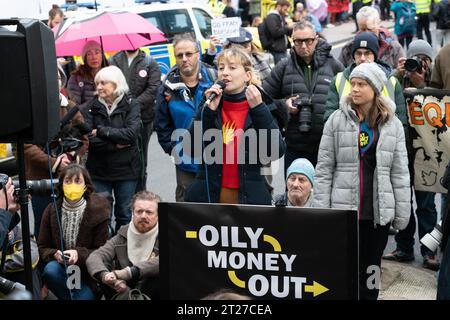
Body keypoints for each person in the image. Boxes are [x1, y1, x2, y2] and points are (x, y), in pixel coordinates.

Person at [312, 63, 411, 300]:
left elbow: (399, 172)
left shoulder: (392, 124)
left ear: (375, 89)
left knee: (372, 267)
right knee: (345, 269)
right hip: (344, 211)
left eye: (361, 84)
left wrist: (402, 211)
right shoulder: (336, 120)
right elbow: (324, 169)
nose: (353, 89)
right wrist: (321, 210)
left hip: (376, 214)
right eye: (352, 84)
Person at [184, 47, 286, 205]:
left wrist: (259, 109)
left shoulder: (260, 104)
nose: (225, 72)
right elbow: (190, 149)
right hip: (213, 195)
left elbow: (275, 151)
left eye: (232, 67)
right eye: (221, 67)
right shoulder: (211, 104)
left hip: (248, 197)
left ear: (247, 75)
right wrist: (207, 111)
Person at [383, 40, 439, 270]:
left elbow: (440, 110)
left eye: (424, 60)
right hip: (403, 151)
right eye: (415, 59)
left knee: (426, 206)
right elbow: (383, 95)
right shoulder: (398, 78)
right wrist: (398, 72)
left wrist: (422, 84)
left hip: (427, 152)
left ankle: (429, 251)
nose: (419, 64)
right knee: (402, 202)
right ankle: (404, 247)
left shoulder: (436, 78)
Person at [263, 20, 343, 170]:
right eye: (298, 42)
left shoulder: (333, 65)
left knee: (324, 193)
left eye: (308, 41)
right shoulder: (283, 66)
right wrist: (283, 105)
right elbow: (263, 99)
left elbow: (348, 99)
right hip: (295, 147)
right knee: (294, 191)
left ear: (316, 39)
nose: (304, 46)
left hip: (327, 146)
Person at [24, 62, 86, 237]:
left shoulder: (70, 107)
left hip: (69, 177)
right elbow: (26, 146)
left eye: (57, 77)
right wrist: (54, 162)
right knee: (43, 225)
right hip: (39, 179)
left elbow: (84, 138)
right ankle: (45, 262)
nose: (54, 81)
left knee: (69, 225)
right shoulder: (31, 109)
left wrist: (71, 157)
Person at [155, 33, 216, 202]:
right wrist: (175, 150)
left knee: (218, 206)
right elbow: (162, 125)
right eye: (179, 55)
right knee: (187, 209)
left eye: (188, 54)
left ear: (198, 54)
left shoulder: (214, 79)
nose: (184, 59)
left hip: (218, 157)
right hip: (186, 160)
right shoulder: (167, 87)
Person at [82, 66, 141, 233]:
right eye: (97, 83)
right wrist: (115, 144)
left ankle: (122, 252)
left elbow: (131, 135)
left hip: (126, 171)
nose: (98, 87)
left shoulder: (132, 104)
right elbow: (89, 139)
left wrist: (101, 131)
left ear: (116, 84)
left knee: (124, 214)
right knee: (102, 214)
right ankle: (105, 252)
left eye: (103, 83)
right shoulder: (90, 107)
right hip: (99, 171)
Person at [37, 164, 110, 300]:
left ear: (85, 186)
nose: (72, 185)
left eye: (77, 181)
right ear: (62, 185)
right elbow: (42, 246)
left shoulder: (99, 211)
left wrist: (78, 253)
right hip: (61, 270)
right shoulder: (51, 210)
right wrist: (54, 254)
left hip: (88, 273)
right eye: (68, 181)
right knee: (50, 270)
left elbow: (103, 250)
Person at [86, 191, 160, 300]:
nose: (143, 216)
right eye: (139, 211)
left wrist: (128, 273)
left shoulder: (167, 233)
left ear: (158, 215)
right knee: (103, 265)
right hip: (123, 290)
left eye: (149, 212)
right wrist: (107, 277)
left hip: (153, 292)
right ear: (132, 213)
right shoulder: (122, 235)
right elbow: (94, 257)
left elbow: (168, 260)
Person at [324, 32, 407, 128]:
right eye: (358, 53)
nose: (362, 58)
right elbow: (329, 121)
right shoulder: (338, 80)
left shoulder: (391, 81)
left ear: (375, 56)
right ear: (353, 56)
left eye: (367, 53)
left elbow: (401, 123)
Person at [109, 49, 162, 192]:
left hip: (143, 119)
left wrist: (134, 105)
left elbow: (153, 88)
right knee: (120, 157)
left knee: (140, 157)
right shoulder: (113, 60)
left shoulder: (150, 63)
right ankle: (124, 195)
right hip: (119, 118)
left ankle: (140, 193)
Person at [339, 6, 405, 70]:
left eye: (370, 29)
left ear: (379, 23)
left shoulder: (393, 47)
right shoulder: (349, 48)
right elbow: (338, 74)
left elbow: (403, 74)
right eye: (363, 29)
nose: (367, 33)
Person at [68, 40, 107, 106]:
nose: (94, 57)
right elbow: (74, 107)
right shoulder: (76, 78)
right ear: (85, 58)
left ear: (102, 55)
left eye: (97, 53)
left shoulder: (111, 74)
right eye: (89, 54)